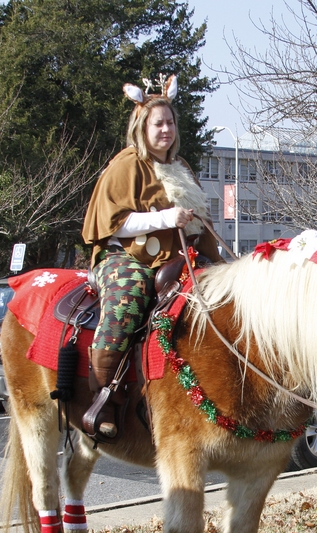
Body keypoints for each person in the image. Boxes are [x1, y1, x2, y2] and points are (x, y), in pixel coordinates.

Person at [81, 75, 220, 439]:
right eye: (158, 123)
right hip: (126, 256)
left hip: (178, 256)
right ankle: (103, 396)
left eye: (170, 122)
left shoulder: (182, 167)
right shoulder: (126, 165)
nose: (166, 130)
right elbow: (113, 223)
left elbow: (198, 223)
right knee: (129, 295)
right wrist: (164, 218)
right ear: (142, 126)